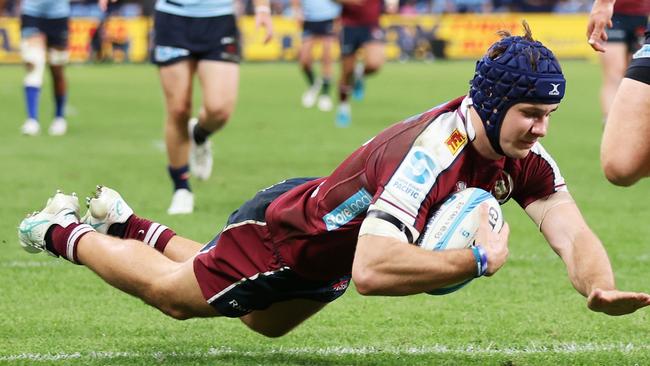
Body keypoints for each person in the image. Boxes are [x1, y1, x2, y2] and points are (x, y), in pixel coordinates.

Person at [18, 23, 650, 338]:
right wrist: (472, 260)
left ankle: (130, 222)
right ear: (491, 106)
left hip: (328, 253)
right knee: (175, 299)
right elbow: (376, 273)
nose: (543, 129)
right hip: (289, 237)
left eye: (550, 116)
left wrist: (598, 287)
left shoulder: (522, 158)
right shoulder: (433, 152)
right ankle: (60, 229)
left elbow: (570, 230)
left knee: (262, 322)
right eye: (532, 114)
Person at [100, 0, 273, 215]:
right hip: (173, 19)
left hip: (219, 19)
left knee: (219, 109)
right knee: (178, 109)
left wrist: (263, 9)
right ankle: (181, 188)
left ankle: (199, 135)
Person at [588, 0, 650, 186]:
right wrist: (603, 4)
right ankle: (610, 124)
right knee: (619, 166)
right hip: (618, 14)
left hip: (641, 13)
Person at [334, 0, 398, 127]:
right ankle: (343, 107)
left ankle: (359, 74)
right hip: (349, 25)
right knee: (347, 72)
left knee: (374, 64)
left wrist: (392, 4)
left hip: (371, 24)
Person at [591, 0, 650, 124]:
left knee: (636, 76)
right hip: (613, 14)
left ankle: (632, 122)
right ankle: (610, 123)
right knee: (614, 75)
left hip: (643, 17)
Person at [19, 0, 71, 136]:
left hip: (59, 15)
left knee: (57, 70)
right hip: (31, 13)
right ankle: (32, 120)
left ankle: (59, 118)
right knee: (34, 64)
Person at [291, 0, 341, 112]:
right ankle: (314, 84)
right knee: (304, 59)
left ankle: (325, 94)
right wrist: (297, 12)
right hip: (309, 19)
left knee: (327, 55)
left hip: (329, 17)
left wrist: (340, 16)